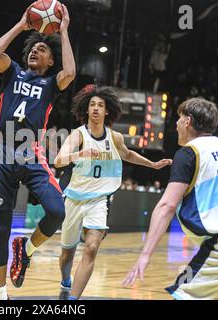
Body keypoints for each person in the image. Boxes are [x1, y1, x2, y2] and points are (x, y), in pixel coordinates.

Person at [122, 97, 218, 299]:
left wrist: (145, 255)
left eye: (179, 119)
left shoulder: (189, 152)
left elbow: (167, 206)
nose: (177, 124)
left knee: (184, 294)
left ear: (187, 121)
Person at [0, 3, 75, 299]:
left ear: (51, 61)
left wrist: (63, 32)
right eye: (33, 49)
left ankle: (26, 249)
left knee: (56, 211)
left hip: (30, 152)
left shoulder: (51, 83)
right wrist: (21, 25)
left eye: (42, 49)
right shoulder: (12, 72)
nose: (35, 51)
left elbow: (71, 72)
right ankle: (1, 294)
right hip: (2, 153)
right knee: (1, 228)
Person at [54, 85, 172, 300]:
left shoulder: (115, 137)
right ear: (87, 110)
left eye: (101, 105)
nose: (96, 108)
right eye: (92, 105)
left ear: (107, 111)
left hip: (99, 200)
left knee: (91, 247)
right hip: (73, 199)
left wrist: (153, 165)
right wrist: (79, 153)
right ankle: (65, 281)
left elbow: (128, 154)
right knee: (66, 254)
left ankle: (73, 301)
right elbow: (58, 160)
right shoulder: (78, 135)